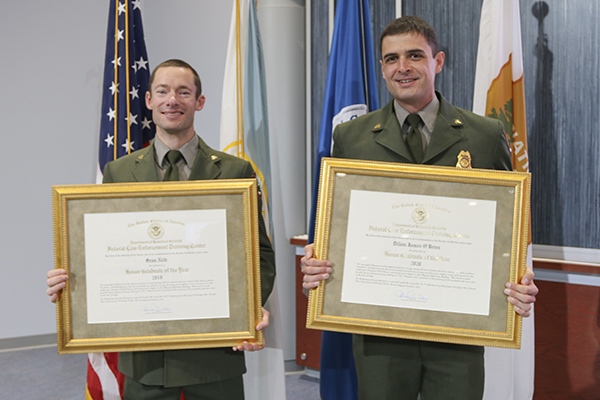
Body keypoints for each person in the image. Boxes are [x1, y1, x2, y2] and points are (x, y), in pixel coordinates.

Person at [301, 16, 538, 400]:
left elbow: (504, 226)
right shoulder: (352, 136)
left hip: (457, 327)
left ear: (438, 61)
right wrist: (318, 255)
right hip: (379, 326)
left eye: (415, 55)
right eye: (391, 59)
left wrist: (519, 276)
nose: (403, 67)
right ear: (381, 68)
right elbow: (339, 221)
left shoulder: (483, 134)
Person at [47, 59, 276, 400]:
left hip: (214, 354)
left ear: (199, 102)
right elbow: (105, 253)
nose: (173, 100)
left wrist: (249, 305)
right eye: (163, 91)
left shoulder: (234, 171)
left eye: (184, 92)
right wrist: (71, 286)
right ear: (149, 101)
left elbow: (259, 254)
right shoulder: (119, 172)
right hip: (145, 359)